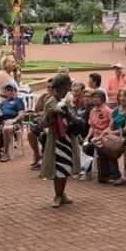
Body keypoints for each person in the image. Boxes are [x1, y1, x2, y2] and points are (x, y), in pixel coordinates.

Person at [41, 73, 81, 207]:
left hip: (66, 137)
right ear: (61, 87)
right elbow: (47, 120)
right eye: (66, 88)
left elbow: (72, 117)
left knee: (64, 168)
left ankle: (62, 193)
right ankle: (57, 196)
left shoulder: (65, 100)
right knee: (58, 168)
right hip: (57, 138)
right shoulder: (50, 101)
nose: (67, 91)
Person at [85, 90, 115, 183]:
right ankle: (87, 172)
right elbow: (92, 126)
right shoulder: (92, 111)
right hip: (95, 136)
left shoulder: (108, 111)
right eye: (93, 98)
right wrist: (87, 138)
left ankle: (106, 175)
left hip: (106, 136)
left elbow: (111, 125)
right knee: (86, 147)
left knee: (100, 149)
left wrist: (103, 134)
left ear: (102, 99)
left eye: (96, 98)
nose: (93, 100)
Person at [0, 82, 26, 162]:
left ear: (15, 91)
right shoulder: (3, 102)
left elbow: (21, 114)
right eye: (8, 90)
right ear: (5, 92)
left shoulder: (18, 101)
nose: (9, 92)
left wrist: (13, 120)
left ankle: (6, 153)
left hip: (15, 123)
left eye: (11, 90)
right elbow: (0, 113)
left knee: (7, 129)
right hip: (3, 122)